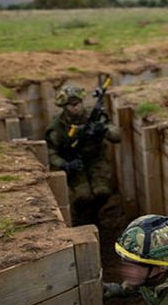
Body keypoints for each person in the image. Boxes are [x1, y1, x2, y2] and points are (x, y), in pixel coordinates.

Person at [46, 84, 121, 226]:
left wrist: (104, 130)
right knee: (83, 197)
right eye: (71, 105)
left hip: (96, 160)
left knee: (102, 192)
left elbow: (117, 136)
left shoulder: (94, 117)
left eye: (78, 103)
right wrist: (65, 164)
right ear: (64, 106)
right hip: (75, 164)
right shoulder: (57, 127)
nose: (75, 107)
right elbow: (51, 153)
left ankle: (95, 215)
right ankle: (81, 217)